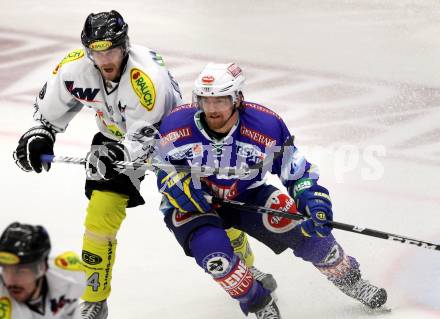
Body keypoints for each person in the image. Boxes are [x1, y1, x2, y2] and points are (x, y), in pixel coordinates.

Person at [12, 10, 275, 318]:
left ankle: (245, 266)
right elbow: (48, 112)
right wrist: (41, 134)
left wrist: (121, 155)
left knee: (212, 206)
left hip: (178, 141)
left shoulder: (146, 78)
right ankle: (94, 299)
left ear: (124, 46)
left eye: (111, 50)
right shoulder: (73, 68)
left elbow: (149, 137)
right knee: (100, 213)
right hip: (116, 140)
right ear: (87, 50)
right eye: (96, 52)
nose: (105, 59)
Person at [155, 63, 388, 318]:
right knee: (216, 258)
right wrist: (175, 186)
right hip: (196, 206)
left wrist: (312, 198)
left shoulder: (266, 125)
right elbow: (162, 168)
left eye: (220, 101)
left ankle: (350, 279)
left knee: (298, 225)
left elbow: (295, 169)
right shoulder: (176, 125)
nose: (211, 109)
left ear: (237, 99)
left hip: (247, 196)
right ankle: (259, 303)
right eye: (205, 100)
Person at [0, 222, 86, 318]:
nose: (11, 280)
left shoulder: (70, 278)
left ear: (41, 268)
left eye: (21, 272)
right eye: (6, 270)